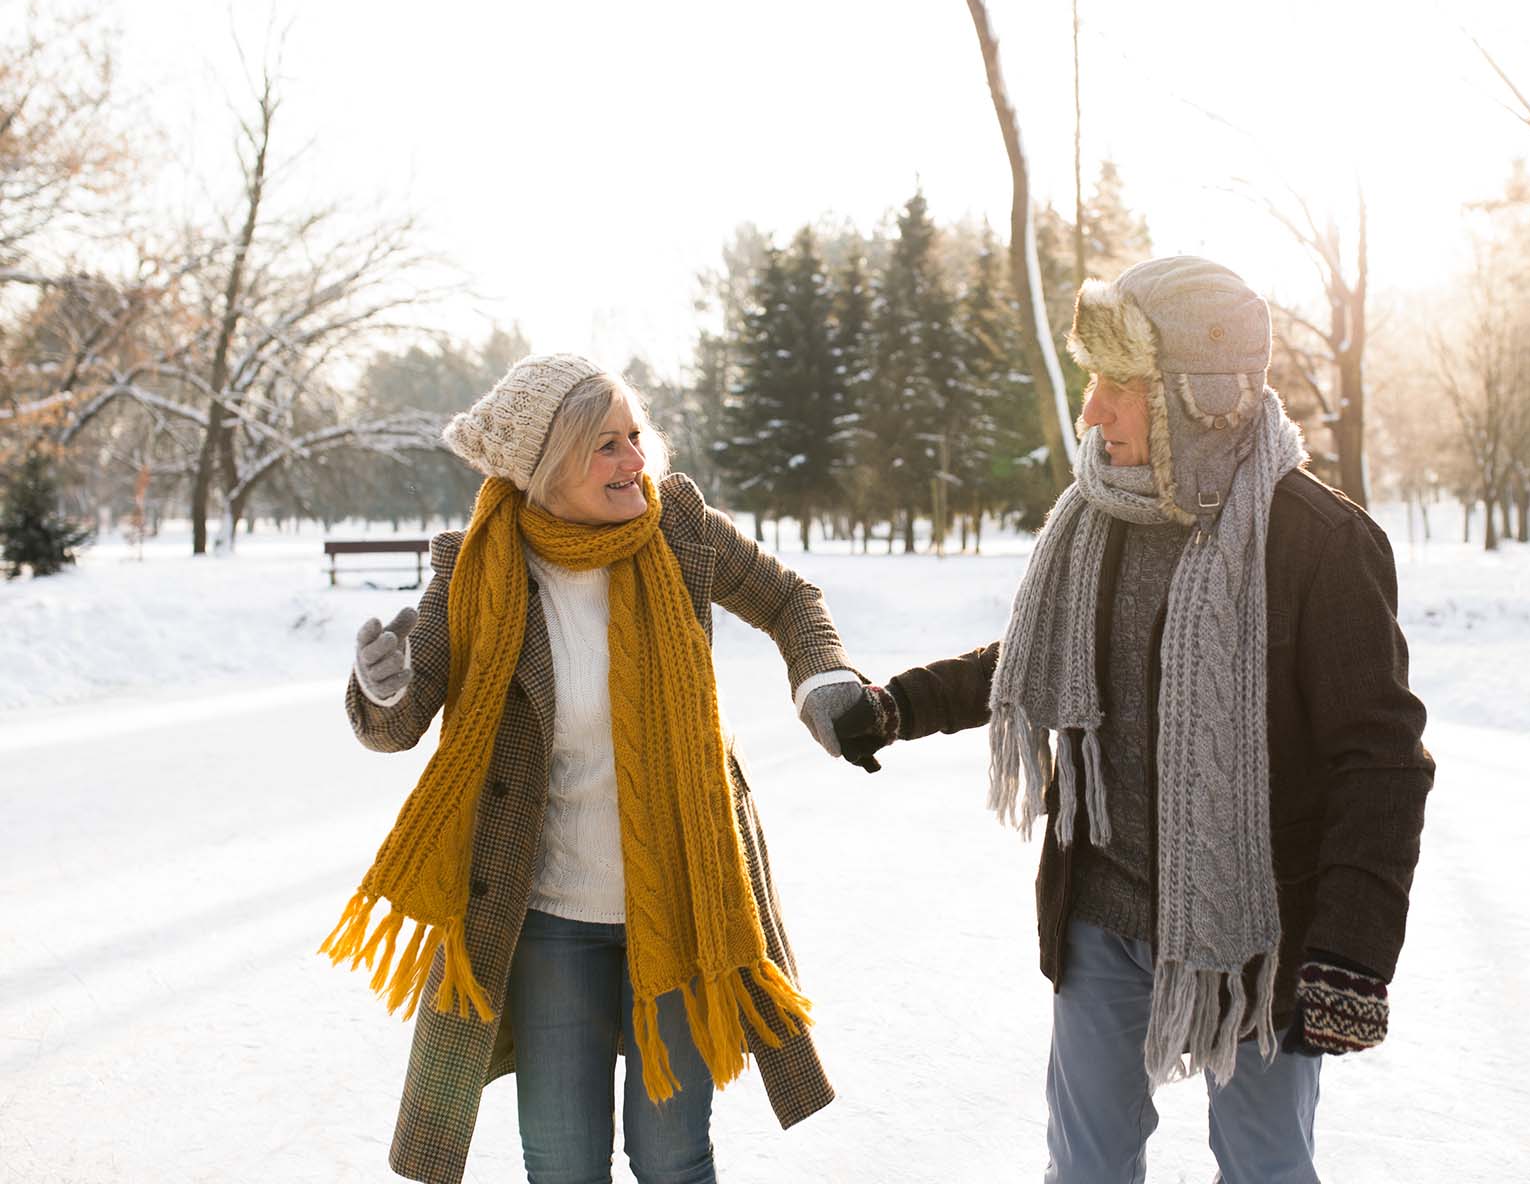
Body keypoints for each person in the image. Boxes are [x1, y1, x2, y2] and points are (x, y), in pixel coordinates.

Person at [834, 257, 1434, 1183]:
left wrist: (1353, 949)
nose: (1092, 412)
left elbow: (1380, 759)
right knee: (1085, 1170)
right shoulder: (1098, 516)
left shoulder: (1318, 541)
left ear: (1199, 396)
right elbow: (1041, 660)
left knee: (1267, 1169)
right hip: (1103, 910)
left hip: (1261, 929)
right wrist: (899, 705)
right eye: (1093, 382)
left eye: (1120, 386)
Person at [322, 353, 867, 1184]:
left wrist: (823, 678)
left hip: (687, 900)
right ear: (546, 465)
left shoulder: (678, 528)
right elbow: (401, 725)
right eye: (605, 446)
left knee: (673, 1157)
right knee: (564, 1162)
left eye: (634, 437)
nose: (634, 462)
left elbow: (792, 600)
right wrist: (380, 686)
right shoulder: (475, 570)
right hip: (548, 920)